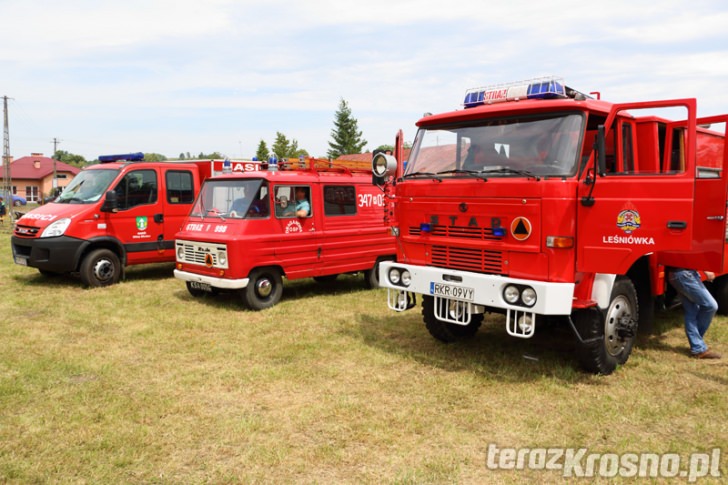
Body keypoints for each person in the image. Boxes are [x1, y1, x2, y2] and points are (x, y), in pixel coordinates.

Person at [667, 267, 721, 359]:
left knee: (692, 311)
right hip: (684, 274)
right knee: (711, 306)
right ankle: (697, 345)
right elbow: (689, 253)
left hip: (680, 274)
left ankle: (697, 346)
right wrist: (706, 269)